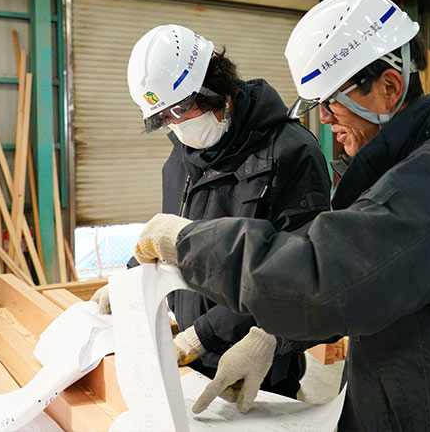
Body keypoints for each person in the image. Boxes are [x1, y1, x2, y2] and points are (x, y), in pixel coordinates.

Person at [132, 0, 430, 430]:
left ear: (389, 87)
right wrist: (274, 335)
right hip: (405, 397)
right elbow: (369, 284)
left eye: (330, 101)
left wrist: (190, 244)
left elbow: (328, 275)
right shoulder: (400, 162)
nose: (323, 118)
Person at [92, 24, 332, 404]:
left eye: (181, 108)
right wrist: (129, 281)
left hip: (258, 364)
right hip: (191, 363)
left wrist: (204, 334)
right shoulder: (180, 159)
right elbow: (175, 242)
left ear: (217, 87)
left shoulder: (290, 152)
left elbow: (299, 275)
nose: (176, 124)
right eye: (163, 118)